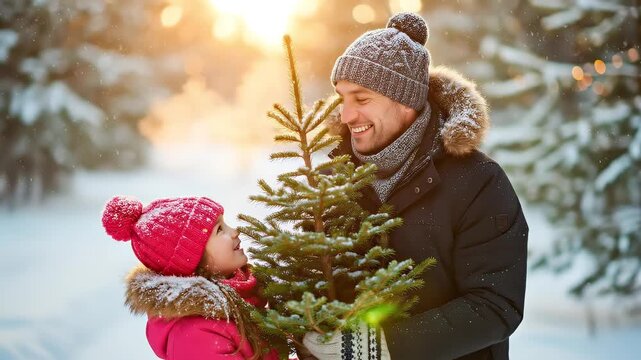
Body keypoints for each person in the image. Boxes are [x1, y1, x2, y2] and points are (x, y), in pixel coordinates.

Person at [303, 12, 529, 360]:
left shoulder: (479, 182)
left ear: (406, 100)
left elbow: (495, 305)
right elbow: (304, 282)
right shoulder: (331, 185)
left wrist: (386, 346)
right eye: (342, 97)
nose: (346, 116)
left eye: (361, 100)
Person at [102, 196, 279, 360]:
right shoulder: (196, 333)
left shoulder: (243, 295)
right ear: (192, 259)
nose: (234, 231)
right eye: (219, 230)